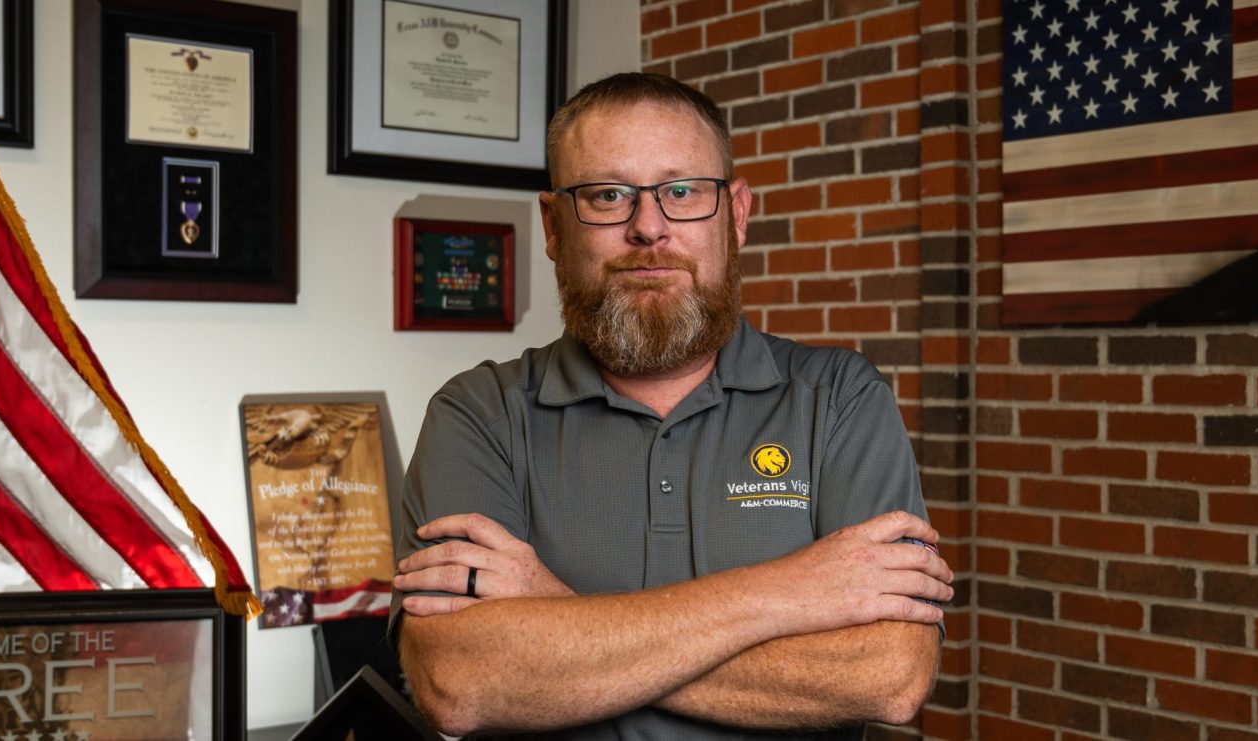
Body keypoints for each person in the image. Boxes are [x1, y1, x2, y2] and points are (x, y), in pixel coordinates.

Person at [390, 72, 952, 739]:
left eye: (682, 191)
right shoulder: (478, 413)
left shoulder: (841, 399)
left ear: (736, 213)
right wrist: (793, 589)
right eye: (607, 195)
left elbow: (889, 675)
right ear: (551, 224)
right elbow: (460, 680)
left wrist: (557, 612)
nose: (648, 227)